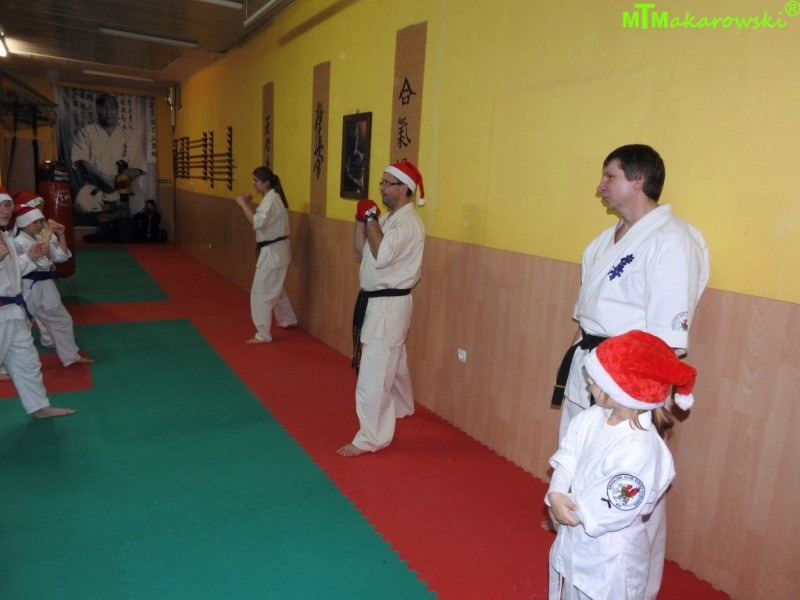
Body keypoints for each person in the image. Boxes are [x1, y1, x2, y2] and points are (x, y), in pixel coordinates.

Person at [550, 144, 709, 598]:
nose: (600, 187)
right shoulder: (604, 241)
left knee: (633, 485)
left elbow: (667, 339)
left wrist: (636, 393)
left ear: (638, 180)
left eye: (610, 177)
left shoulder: (672, 240)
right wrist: (583, 365)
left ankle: (635, 587)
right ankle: (574, 559)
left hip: (632, 382)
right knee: (580, 459)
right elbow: (588, 313)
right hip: (592, 366)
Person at [546, 330, 696, 600]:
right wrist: (556, 493)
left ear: (622, 390)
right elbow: (568, 455)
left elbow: (614, 506)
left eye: (597, 377)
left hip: (609, 553)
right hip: (575, 533)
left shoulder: (642, 449)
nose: (588, 379)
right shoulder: (592, 417)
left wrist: (567, 511)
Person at [337, 161, 426, 457]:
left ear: (404, 189)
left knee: (374, 374)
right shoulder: (389, 218)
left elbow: (383, 254)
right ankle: (403, 405)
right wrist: (361, 220)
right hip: (379, 303)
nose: (382, 188)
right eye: (382, 183)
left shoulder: (408, 223)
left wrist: (371, 217)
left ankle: (371, 438)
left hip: (388, 304)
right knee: (394, 359)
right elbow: (359, 251)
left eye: (388, 183)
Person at [0, 187, 76, 419]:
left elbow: (13, 272)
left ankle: (39, 407)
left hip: (13, 312)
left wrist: (29, 257)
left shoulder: (4, 236)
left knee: (27, 362)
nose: (4, 210)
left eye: (7, 205)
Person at [12, 202, 94, 368]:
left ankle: (70, 356)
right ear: (23, 223)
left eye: (40, 222)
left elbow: (61, 256)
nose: (39, 225)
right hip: (28, 287)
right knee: (19, 327)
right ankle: (6, 366)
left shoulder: (38, 237)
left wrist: (61, 235)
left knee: (61, 320)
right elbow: (42, 260)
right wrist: (47, 235)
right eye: (34, 222)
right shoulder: (18, 242)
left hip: (46, 286)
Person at [234, 166, 298, 344]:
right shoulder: (271, 198)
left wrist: (242, 204)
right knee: (276, 287)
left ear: (266, 182)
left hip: (273, 253)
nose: (253, 184)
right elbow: (262, 220)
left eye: (256, 180)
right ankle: (288, 319)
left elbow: (257, 223)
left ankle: (263, 334)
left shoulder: (271, 200)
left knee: (260, 293)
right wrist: (248, 205)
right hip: (276, 251)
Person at [71, 93, 146, 214]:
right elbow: (81, 162)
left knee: (136, 205)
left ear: (117, 110)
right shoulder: (86, 132)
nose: (108, 112)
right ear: (97, 110)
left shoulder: (129, 135)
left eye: (112, 108)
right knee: (82, 204)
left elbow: (138, 167)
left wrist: (122, 179)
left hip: (122, 186)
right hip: (95, 187)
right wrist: (104, 180)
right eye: (104, 108)